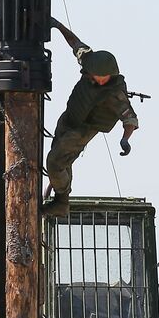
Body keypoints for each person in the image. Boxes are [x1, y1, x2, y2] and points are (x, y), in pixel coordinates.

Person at [41, 17, 139, 217]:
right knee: (61, 158)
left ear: (109, 75)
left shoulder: (115, 93)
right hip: (69, 118)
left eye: (100, 76)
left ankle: (61, 201)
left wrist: (125, 140)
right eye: (94, 74)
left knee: (54, 162)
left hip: (84, 129)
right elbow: (75, 43)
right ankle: (60, 194)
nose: (96, 77)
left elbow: (130, 119)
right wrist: (58, 25)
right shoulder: (89, 62)